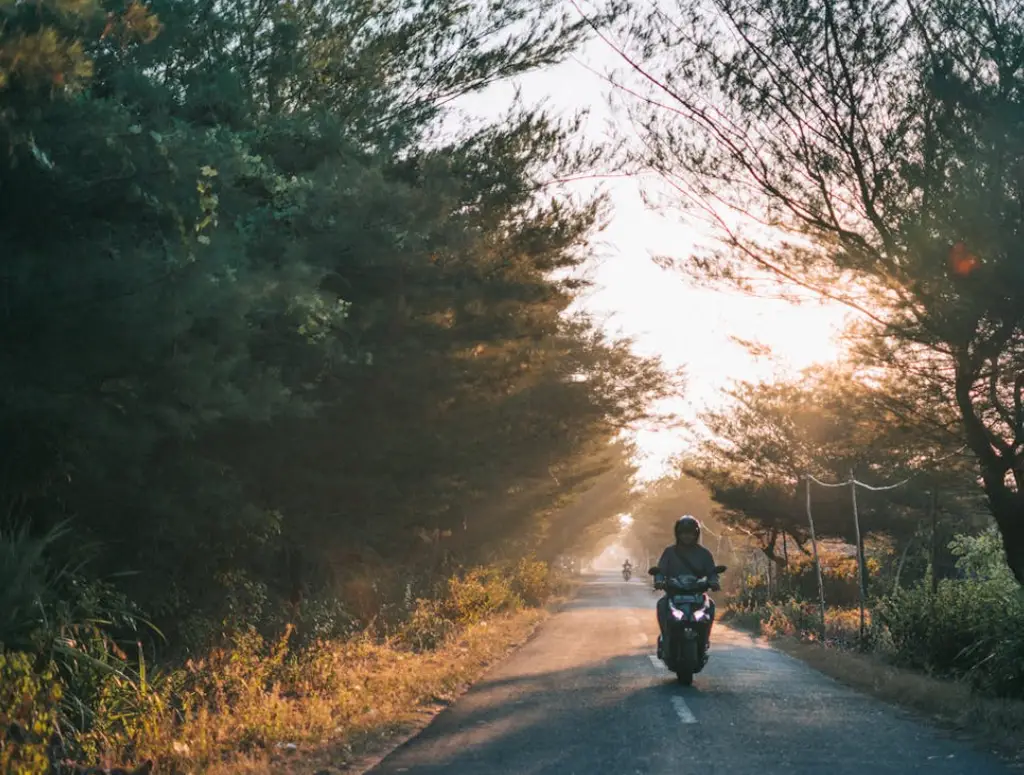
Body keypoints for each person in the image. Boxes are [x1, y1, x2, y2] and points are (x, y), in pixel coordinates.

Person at [654, 515, 720, 658]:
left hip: (697, 594)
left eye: (690, 533)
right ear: (678, 534)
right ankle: (666, 637)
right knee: (661, 604)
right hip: (674, 593)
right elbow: (660, 570)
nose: (687, 536)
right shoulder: (669, 552)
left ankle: (705, 638)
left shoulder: (704, 554)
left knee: (711, 605)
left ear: (696, 534)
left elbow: (711, 571)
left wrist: (714, 581)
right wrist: (659, 580)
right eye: (683, 533)